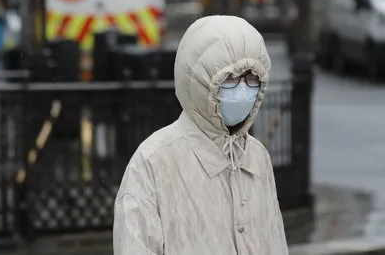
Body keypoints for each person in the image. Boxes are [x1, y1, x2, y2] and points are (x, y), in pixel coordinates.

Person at [113, 15, 288, 255]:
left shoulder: (256, 156)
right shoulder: (154, 162)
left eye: (251, 80)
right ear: (200, 83)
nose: (243, 92)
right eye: (230, 80)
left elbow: (275, 242)